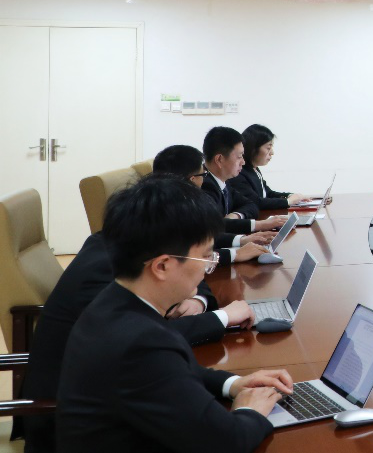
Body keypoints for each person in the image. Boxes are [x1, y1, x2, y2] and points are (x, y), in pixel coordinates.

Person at [18, 172, 255, 453]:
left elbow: (170, 371)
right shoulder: (141, 341)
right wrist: (251, 409)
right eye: (206, 257)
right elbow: (228, 441)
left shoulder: (116, 298)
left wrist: (232, 383)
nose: (208, 267)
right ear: (162, 266)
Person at [156, 144, 273, 264]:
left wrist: (242, 240)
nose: (205, 179)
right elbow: (187, 257)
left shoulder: (172, 202)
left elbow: (204, 233)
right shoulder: (166, 213)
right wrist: (235, 254)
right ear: (192, 180)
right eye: (203, 175)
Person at [227, 124, 310, 211]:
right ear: (253, 148)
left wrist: (292, 196)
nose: (272, 152)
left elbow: (268, 193)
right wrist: (288, 201)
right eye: (268, 148)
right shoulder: (239, 172)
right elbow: (255, 202)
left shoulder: (254, 169)